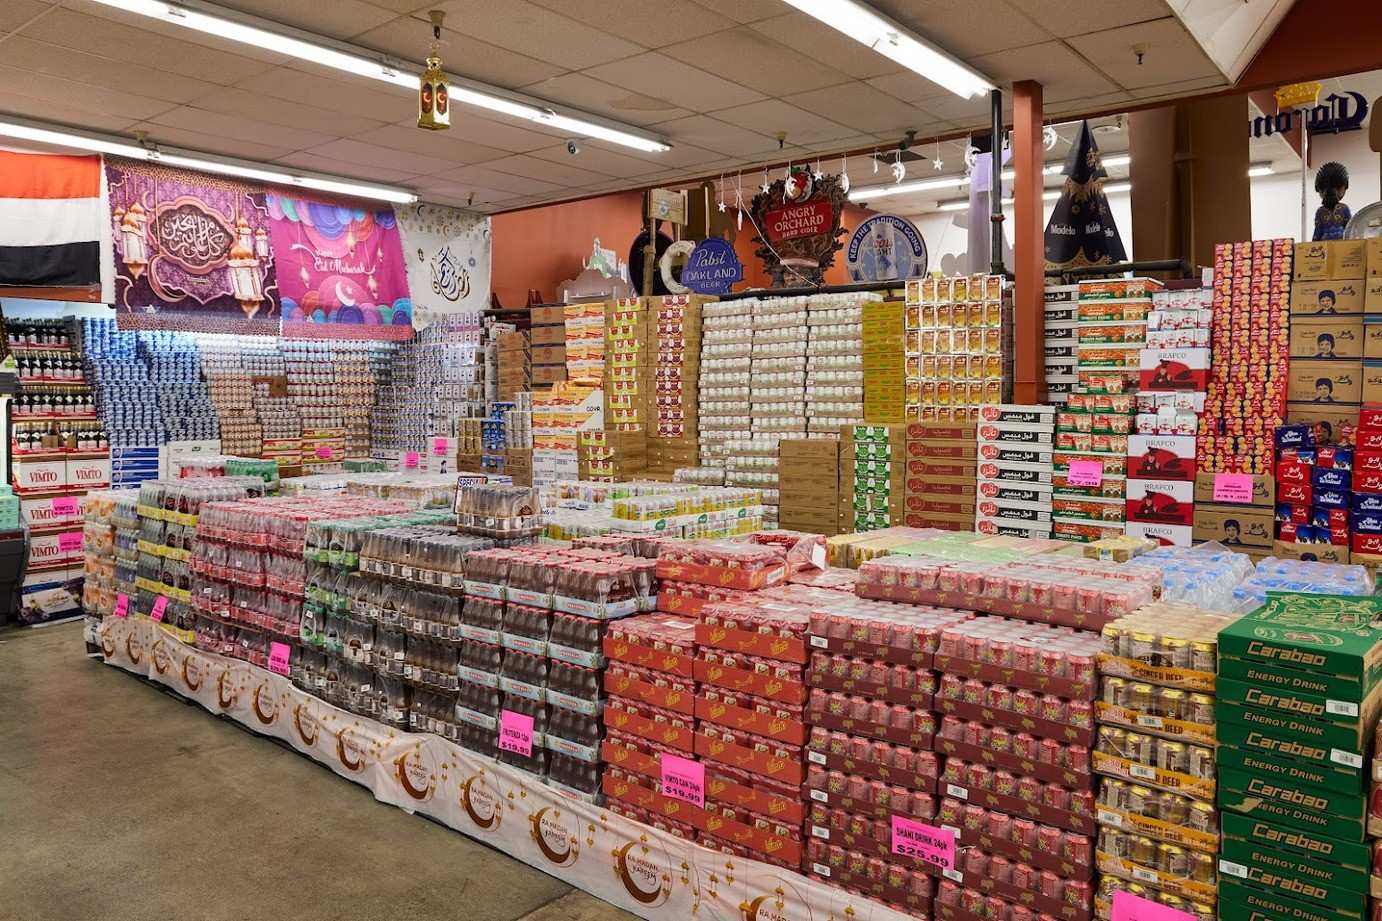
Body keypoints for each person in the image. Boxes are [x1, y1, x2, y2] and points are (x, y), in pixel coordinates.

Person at [1312, 161, 1351, 241]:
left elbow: (1317, 234)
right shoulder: (1344, 208)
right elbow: (1350, 230)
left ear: (1317, 189)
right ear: (1345, 186)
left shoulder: (1320, 211)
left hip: (1331, 245)